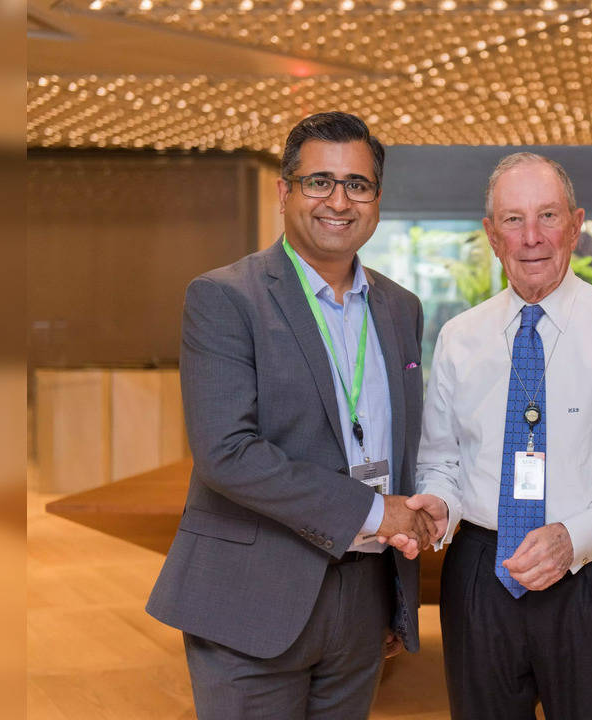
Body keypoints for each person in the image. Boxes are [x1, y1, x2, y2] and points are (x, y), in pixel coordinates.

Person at [146, 111, 434, 719]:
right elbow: (228, 453)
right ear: (284, 192)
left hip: (363, 592)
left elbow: (400, 445)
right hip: (253, 595)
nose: (338, 200)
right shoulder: (225, 297)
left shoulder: (401, 308)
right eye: (318, 182)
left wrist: (395, 589)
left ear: (376, 200)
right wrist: (379, 512)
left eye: (356, 184)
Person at [405, 152, 592, 719]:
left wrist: (575, 536)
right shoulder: (459, 338)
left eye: (547, 216)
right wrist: (438, 501)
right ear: (492, 235)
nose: (531, 237)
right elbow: (441, 459)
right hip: (481, 575)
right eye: (513, 220)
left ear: (576, 223)